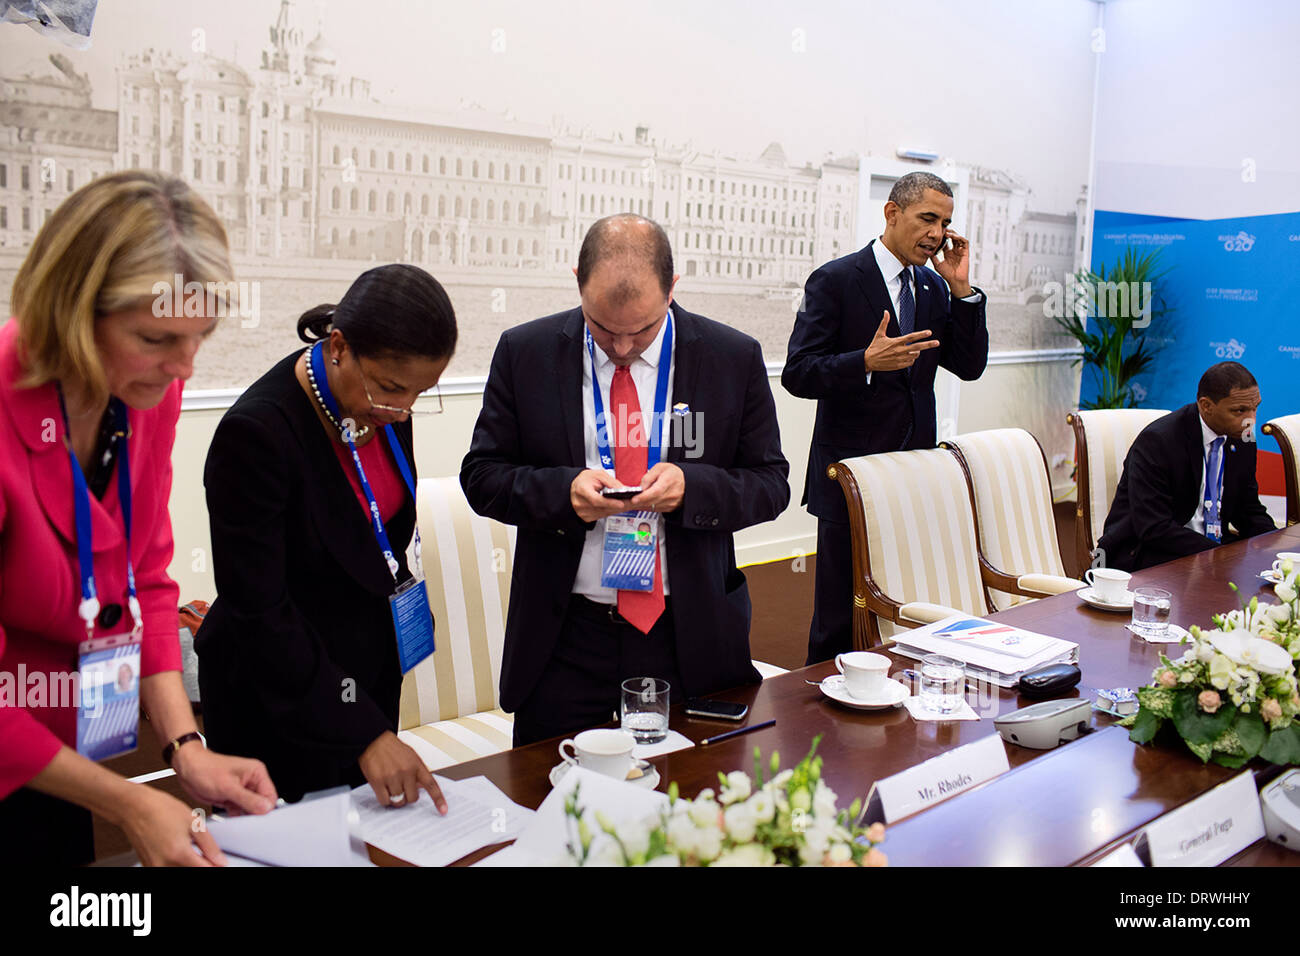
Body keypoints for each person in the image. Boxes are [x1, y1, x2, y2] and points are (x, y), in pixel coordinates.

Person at [0, 170, 277, 867]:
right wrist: (126, 801)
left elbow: (147, 581)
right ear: (72, 309)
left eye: (202, 336)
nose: (183, 366)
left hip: (54, 760)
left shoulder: (146, 389)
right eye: (156, 338)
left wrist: (187, 749)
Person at [461, 214, 789, 747]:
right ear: (577, 282)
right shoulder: (527, 353)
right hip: (565, 640)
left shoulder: (731, 357)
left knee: (688, 807)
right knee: (553, 807)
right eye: (602, 327)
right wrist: (562, 492)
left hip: (689, 637)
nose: (619, 347)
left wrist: (693, 489)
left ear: (673, 289)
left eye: (641, 330)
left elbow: (772, 484)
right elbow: (482, 476)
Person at [198, 265, 456, 811]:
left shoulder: (384, 403)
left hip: (363, 686)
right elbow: (260, 613)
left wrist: (368, 719)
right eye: (391, 388)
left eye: (420, 393)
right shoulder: (257, 435)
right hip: (277, 701)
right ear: (338, 346)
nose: (403, 409)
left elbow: (373, 535)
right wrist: (362, 731)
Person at [782, 171, 988, 665]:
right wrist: (864, 363)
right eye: (928, 219)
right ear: (892, 214)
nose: (938, 234)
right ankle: (821, 708)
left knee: (899, 599)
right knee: (838, 612)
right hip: (849, 474)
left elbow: (969, 365)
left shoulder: (936, 289)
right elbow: (798, 373)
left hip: (911, 473)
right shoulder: (834, 280)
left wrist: (962, 291)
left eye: (945, 222)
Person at [1097, 362, 1277, 571]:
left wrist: (1276, 547)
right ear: (1206, 405)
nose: (1251, 420)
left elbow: (1248, 509)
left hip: (1209, 553)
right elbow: (1153, 527)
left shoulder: (1243, 437)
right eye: (1240, 410)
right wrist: (1218, 556)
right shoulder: (1158, 442)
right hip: (1148, 555)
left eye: (1256, 408)